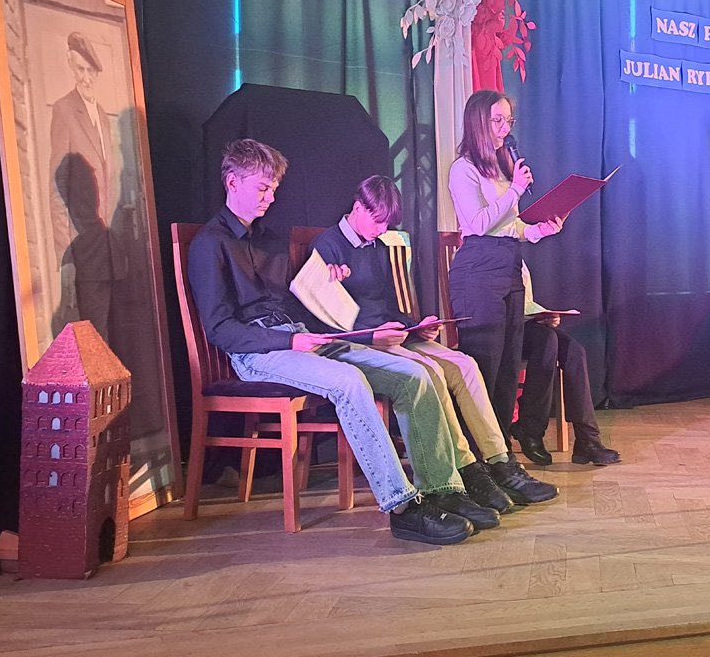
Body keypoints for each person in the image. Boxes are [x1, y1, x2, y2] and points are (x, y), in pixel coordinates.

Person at [188, 138, 487, 544]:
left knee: (413, 375)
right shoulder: (209, 244)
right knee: (349, 382)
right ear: (232, 182)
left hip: (298, 334)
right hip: (258, 352)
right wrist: (288, 343)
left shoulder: (267, 238)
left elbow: (294, 300)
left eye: (274, 189)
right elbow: (220, 330)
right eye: (262, 188)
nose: (270, 198)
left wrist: (326, 287)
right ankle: (402, 507)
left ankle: (442, 489)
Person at [311, 176, 557, 506]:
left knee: (464, 364)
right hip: (360, 341)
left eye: (386, 224)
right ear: (358, 208)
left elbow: (388, 307)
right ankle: (466, 469)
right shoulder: (327, 246)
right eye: (377, 221)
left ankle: (500, 461)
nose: (381, 230)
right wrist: (373, 334)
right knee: (432, 372)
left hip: (389, 335)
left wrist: (416, 327)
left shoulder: (379, 247)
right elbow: (322, 317)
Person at [447, 89, 563, 454]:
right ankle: (476, 455)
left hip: (508, 265)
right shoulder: (463, 169)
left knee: (509, 366)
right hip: (478, 270)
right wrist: (515, 190)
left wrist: (540, 230)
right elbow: (480, 224)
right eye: (497, 120)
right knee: (486, 365)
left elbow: (510, 227)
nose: (504, 128)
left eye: (508, 120)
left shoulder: (499, 169)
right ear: (478, 122)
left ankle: (500, 453)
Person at [49, 31, 126, 341]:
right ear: (72, 69)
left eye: (89, 70)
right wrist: (66, 256)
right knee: (95, 339)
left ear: (97, 72)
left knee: (117, 334)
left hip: (112, 251)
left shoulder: (102, 117)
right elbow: (57, 189)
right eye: (79, 69)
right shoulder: (64, 110)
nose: (85, 77)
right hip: (86, 252)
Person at [512, 263, 621, 466]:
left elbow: (525, 303)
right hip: (502, 331)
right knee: (546, 341)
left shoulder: (517, 258)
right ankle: (530, 429)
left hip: (525, 326)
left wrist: (542, 316)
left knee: (574, 351)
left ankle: (587, 439)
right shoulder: (477, 255)